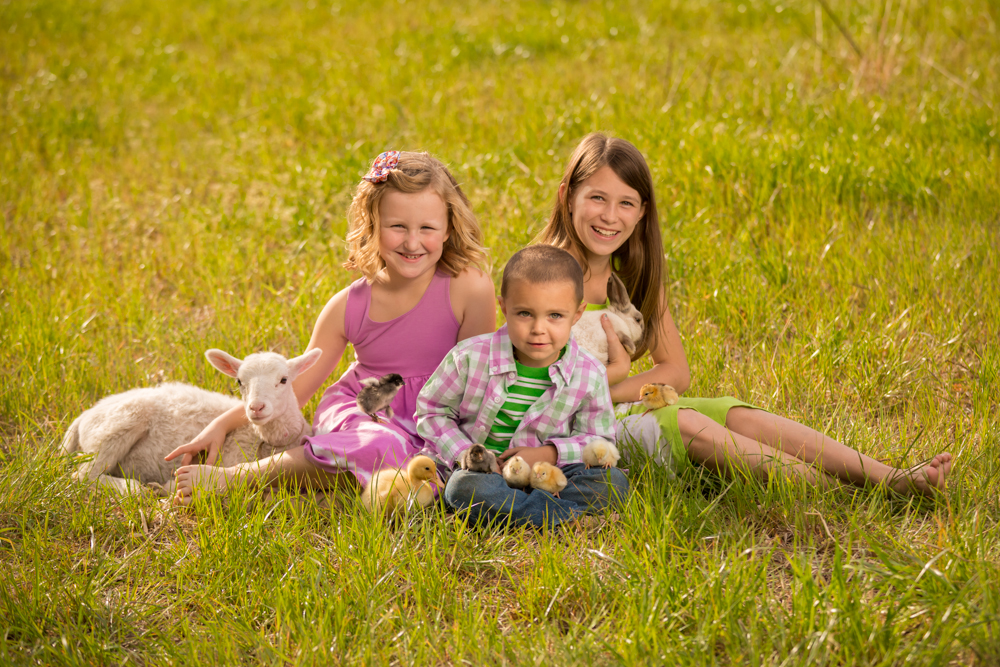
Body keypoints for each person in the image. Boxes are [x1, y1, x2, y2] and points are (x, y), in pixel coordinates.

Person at [536, 133, 952, 495]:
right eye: (596, 198)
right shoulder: (544, 275)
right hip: (578, 432)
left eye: (625, 202)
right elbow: (536, 384)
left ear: (642, 211)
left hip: (622, 406)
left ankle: (888, 476)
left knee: (734, 415)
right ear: (567, 196)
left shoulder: (635, 275)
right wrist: (612, 386)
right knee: (686, 423)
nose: (610, 216)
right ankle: (847, 494)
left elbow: (676, 371)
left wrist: (614, 389)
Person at [166, 151, 496, 504]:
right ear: (372, 224)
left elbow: (477, 385)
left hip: (436, 414)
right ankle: (238, 478)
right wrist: (219, 425)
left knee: (431, 471)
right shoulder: (349, 305)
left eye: (427, 228)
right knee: (380, 447)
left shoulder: (470, 287)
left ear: (448, 228)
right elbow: (295, 389)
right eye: (397, 226)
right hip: (365, 412)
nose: (412, 242)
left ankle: (332, 485)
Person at [416, 245, 629, 528]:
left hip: (551, 476)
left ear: (577, 314)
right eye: (525, 314)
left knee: (614, 482)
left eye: (555, 316)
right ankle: (566, 518)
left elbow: (598, 440)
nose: (539, 328)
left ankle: (521, 513)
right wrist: (467, 454)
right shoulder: (469, 357)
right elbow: (433, 412)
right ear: (504, 308)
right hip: (483, 476)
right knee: (461, 489)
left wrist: (550, 453)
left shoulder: (589, 374)